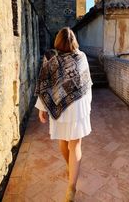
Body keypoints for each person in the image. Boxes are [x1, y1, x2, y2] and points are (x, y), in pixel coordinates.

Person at [35, 27, 92, 202]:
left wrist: (42, 108)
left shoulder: (51, 57)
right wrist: (87, 106)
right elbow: (86, 84)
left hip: (59, 105)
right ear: (74, 40)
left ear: (58, 40)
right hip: (78, 106)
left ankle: (70, 168)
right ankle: (71, 188)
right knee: (75, 145)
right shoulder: (81, 56)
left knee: (63, 140)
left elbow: (45, 84)